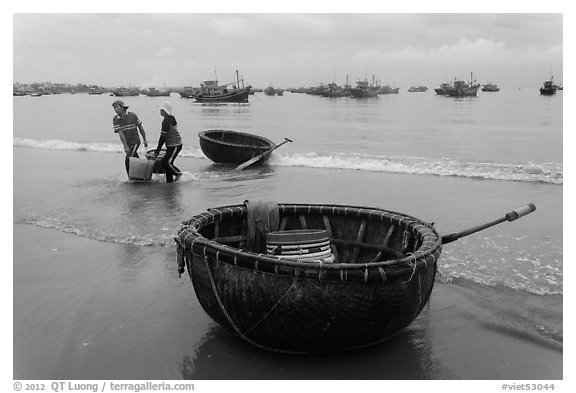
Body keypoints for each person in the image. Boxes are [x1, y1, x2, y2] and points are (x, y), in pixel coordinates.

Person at [112, 100, 148, 176]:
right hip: (128, 142)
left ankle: (130, 177)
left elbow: (140, 128)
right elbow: (121, 134)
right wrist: (125, 146)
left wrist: (145, 139)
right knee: (134, 157)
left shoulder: (133, 116)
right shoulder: (115, 119)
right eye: (114, 108)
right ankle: (142, 173)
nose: (115, 109)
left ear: (123, 107)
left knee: (128, 158)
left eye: (117, 107)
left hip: (135, 141)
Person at [154, 101, 183, 183]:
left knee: (165, 162)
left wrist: (157, 151)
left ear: (164, 111)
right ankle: (169, 181)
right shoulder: (171, 118)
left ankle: (178, 173)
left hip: (175, 145)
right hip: (172, 145)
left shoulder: (166, 121)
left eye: (161, 110)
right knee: (168, 164)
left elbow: (162, 137)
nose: (160, 111)